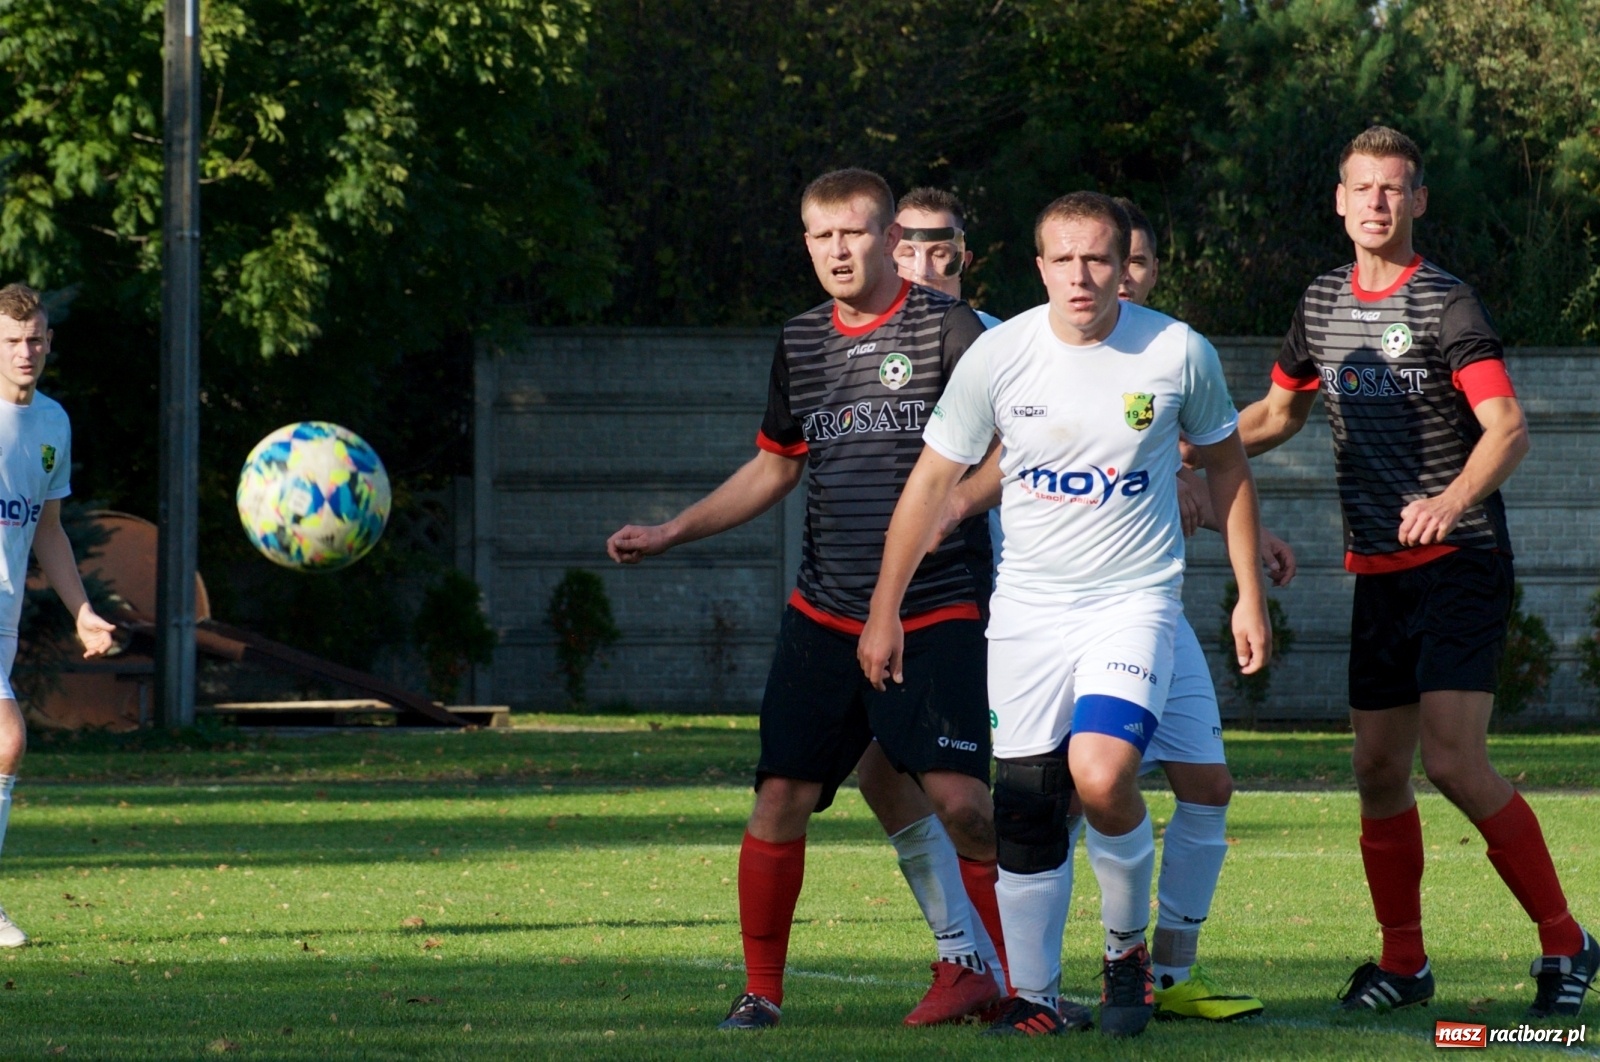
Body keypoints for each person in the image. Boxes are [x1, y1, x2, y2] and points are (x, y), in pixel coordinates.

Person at [859, 191, 1271, 1039]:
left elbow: (1227, 469)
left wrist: (1248, 596)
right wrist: (883, 609)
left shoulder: (1176, 352)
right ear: (1038, 267)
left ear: (1126, 264)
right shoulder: (1000, 355)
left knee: (1103, 772)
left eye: (1097, 259)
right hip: (1027, 616)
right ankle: (1036, 998)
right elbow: (931, 484)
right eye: (1062, 259)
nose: (1080, 276)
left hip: (1134, 603)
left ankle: (1129, 954)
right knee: (1026, 810)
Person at [606, 169, 1001, 1030]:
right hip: (826, 611)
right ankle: (762, 993)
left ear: (891, 238)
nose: (837, 251)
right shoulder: (799, 341)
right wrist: (673, 530)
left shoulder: (950, 330)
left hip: (937, 606)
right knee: (782, 795)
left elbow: (1015, 441)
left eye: (853, 233)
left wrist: (962, 503)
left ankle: (999, 976)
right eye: (821, 237)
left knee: (965, 802)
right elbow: (777, 465)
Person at [1236, 125, 1595, 1019]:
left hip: (1462, 559)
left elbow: (1507, 427)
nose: (1376, 203)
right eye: (1362, 187)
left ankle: (1568, 942)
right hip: (1382, 569)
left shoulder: (1446, 304)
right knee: (1374, 769)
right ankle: (1406, 966)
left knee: (1453, 761)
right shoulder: (1320, 302)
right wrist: (1187, 449)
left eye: (1393, 188)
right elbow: (1280, 413)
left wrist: (1451, 499)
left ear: (1418, 200)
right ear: (1339, 199)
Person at [841, 186, 1012, 1027]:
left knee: (985, 797)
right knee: (880, 771)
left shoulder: (1000, 342)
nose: (923, 264)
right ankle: (966, 956)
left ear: (964, 256)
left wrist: (956, 506)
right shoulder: (862, 341)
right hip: (898, 598)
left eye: (941, 250)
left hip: (1000, 599)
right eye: (907, 249)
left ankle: (1028, 974)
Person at [0, 284, 117, 948]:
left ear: (49, 341)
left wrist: (81, 611)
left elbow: (48, 529)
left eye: (35, 338)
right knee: (6, 740)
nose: (26, 351)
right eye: (12, 341)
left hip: (6, 616)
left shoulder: (52, 423)